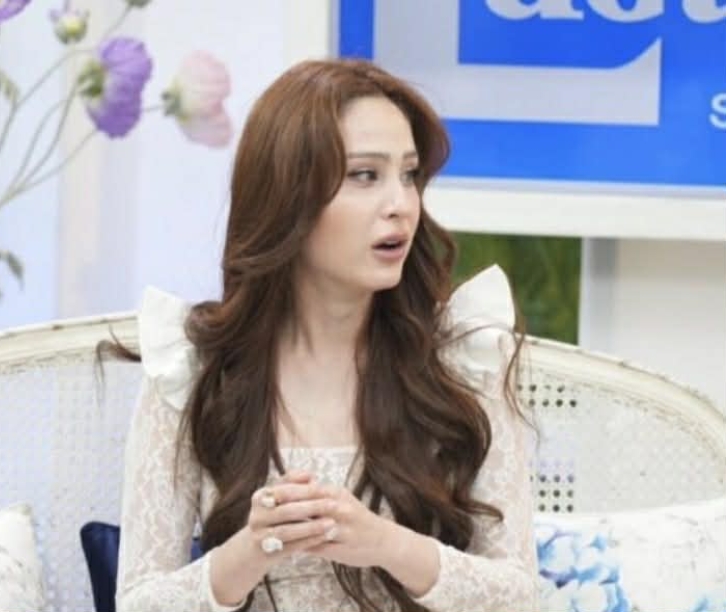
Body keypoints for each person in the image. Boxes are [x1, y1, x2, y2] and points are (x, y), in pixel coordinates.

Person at [114, 58, 538, 612]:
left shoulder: (460, 360)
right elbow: (138, 603)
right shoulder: (193, 370)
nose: (401, 205)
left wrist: (386, 544)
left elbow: (522, 596)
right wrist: (252, 550)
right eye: (365, 176)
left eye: (409, 175)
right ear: (287, 195)